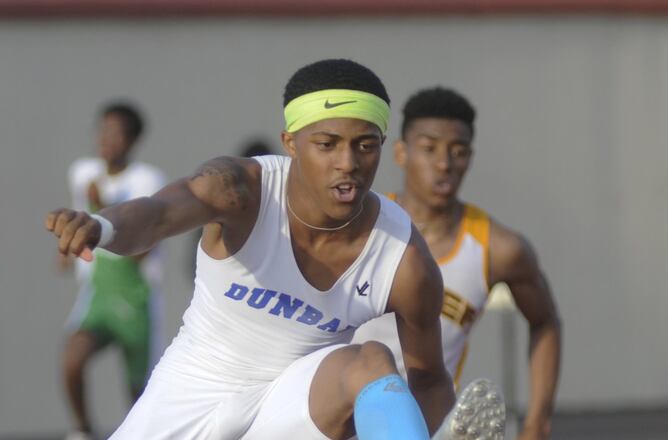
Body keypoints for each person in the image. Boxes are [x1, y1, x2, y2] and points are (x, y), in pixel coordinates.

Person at [46, 60, 504, 439]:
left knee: (371, 361)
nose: (348, 163)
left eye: (365, 146)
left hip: (292, 406)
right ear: (290, 143)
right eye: (327, 144)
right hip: (193, 389)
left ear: (383, 147)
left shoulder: (403, 258)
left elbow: (428, 378)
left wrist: (438, 426)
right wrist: (102, 227)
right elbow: (156, 215)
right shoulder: (242, 190)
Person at [352, 87, 561, 440]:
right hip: (343, 411)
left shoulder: (498, 248)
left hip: (428, 421)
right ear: (401, 152)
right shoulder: (360, 222)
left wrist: (536, 422)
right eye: (429, 148)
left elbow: (546, 322)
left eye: (458, 152)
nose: (444, 164)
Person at [59, 102, 167, 440]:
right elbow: (79, 223)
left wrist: (99, 207)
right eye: (103, 131)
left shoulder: (147, 179)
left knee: (138, 395)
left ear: (133, 141)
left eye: (116, 133)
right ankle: (82, 430)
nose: (106, 140)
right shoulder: (82, 173)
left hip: (135, 296)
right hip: (98, 293)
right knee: (72, 358)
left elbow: (142, 249)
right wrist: (66, 246)